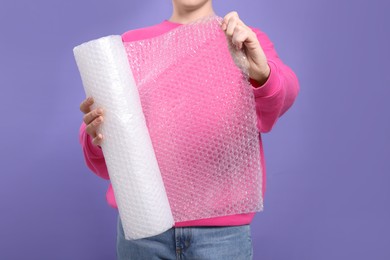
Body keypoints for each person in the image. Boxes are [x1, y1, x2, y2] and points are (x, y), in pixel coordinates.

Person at [78, 0, 299, 259]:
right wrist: (97, 135)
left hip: (221, 235)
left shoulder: (243, 40)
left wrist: (262, 73)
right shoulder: (131, 47)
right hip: (144, 231)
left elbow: (283, 94)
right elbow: (107, 153)